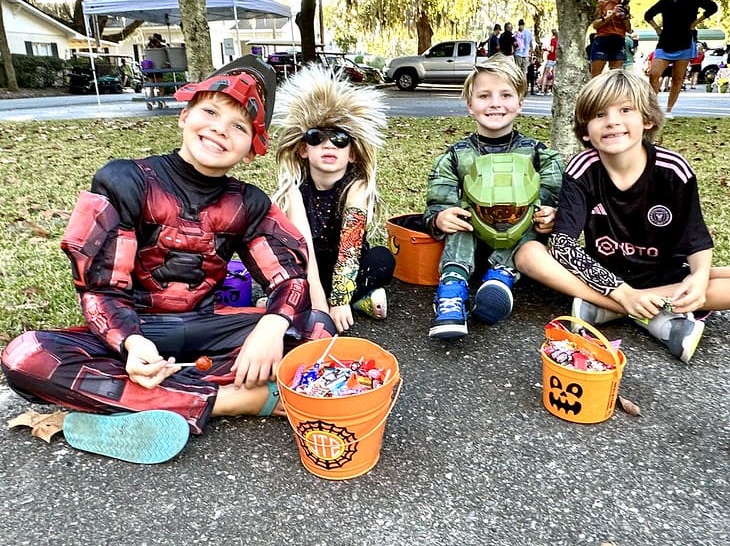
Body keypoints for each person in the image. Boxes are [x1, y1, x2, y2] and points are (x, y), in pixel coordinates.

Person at [0, 55, 337, 464]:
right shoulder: (123, 180)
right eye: (210, 111)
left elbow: (290, 277)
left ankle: (133, 400)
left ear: (253, 148)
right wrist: (130, 343)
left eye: (239, 126)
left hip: (204, 331)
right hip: (135, 332)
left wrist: (272, 324)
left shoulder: (249, 202)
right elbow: (101, 288)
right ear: (185, 114)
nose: (219, 129)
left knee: (317, 329)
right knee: (25, 357)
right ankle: (233, 400)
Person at [514, 70, 730, 362]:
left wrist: (701, 277)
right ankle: (645, 312)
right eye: (599, 114)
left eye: (626, 110)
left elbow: (695, 237)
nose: (613, 121)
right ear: (586, 130)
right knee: (528, 254)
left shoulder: (674, 169)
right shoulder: (581, 169)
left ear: (648, 119)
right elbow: (563, 245)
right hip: (603, 275)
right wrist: (623, 291)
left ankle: (609, 309)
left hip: (666, 277)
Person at [424, 55, 565, 340]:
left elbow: (556, 189)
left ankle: (500, 279)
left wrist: (552, 212)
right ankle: (452, 291)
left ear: (520, 103)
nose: (495, 103)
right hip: (472, 240)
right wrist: (440, 217)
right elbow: (439, 196)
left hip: (518, 240)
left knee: (530, 213)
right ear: (470, 105)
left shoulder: (539, 154)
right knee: (461, 218)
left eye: (505, 95)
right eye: (484, 96)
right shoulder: (455, 156)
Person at [272, 65, 395, 334]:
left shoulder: (357, 187)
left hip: (348, 265)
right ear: (303, 149)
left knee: (382, 259)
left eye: (340, 139)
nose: (329, 145)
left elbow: (350, 249)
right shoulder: (295, 190)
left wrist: (338, 301)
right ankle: (357, 300)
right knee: (287, 268)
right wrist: (319, 305)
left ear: (352, 154)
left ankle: (319, 301)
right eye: (317, 137)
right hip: (310, 265)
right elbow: (304, 251)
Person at [644, 0, 718, 118]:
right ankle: (652, 108)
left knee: (677, 78)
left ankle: (669, 110)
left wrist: (697, 22)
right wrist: (657, 28)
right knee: (654, 74)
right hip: (665, 41)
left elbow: (712, 7)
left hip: (684, 41)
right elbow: (648, 14)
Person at [589, 0, 632, 77]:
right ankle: (594, 92)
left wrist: (625, 16)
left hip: (618, 40)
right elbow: (595, 25)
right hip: (602, 39)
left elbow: (629, 30)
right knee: (596, 74)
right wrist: (612, 14)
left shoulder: (624, 6)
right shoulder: (602, 3)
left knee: (616, 75)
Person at [538, 29, 558, 93]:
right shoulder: (558, 40)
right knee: (554, 74)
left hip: (551, 58)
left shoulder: (553, 40)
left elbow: (551, 50)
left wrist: (546, 49)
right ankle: (553, 91)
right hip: (556, 58)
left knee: (545, 74)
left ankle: (542, 90)